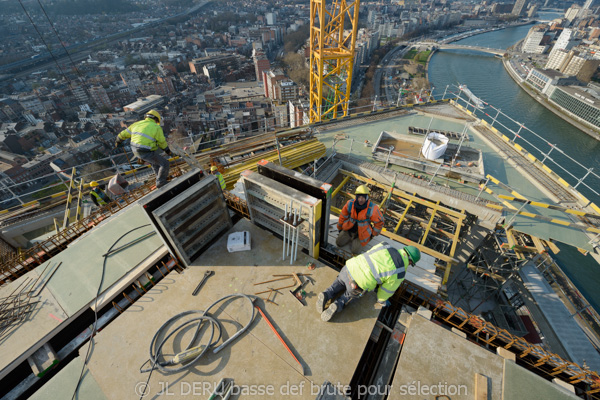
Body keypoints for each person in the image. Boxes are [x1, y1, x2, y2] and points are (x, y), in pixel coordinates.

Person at [316, 243, 421, 322]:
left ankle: (327, 293)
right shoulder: (400, 272)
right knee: (348, 296)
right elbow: (385, 291)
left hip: (349, 267)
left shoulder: (385, 245)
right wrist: (381, 301)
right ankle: (337, 305)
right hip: (357, 284)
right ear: (410, 262)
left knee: (339, 281)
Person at [115, 110, 172, 188]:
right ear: (156, 119)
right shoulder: (156, 127)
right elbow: (162, 142)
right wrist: (167, 151)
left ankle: (159, 179)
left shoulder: (136, 124)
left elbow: (122, 134)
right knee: (165, 163)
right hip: (145, 150)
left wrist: (118, 141)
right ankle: (161, 181)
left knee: (155, 164)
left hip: (135, 151)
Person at [336, 185, 384, 254]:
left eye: (363, 197)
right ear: (356, 197)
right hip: (349, 229)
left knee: (355, 251)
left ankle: (361, 239)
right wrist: (340, 228)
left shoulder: (373, 208)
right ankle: (350, 236)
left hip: (361, 234)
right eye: (359, 197)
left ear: (367, 197)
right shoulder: (350, 204)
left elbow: (380, 222)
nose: (360, 200)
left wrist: (373, 234)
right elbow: (342, 216)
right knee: (339, 243)